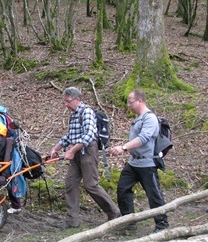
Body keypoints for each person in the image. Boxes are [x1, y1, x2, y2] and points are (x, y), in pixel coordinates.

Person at [49, 87, 120, 229]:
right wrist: (56, 148)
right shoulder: (74, 115)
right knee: (70, 183)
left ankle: (114, 213)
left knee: (91, 185)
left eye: (68, 101)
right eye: (65, 102)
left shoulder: (86, 112)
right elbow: (70, 135)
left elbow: (89, 135)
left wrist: (72, 151)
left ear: (77, 100)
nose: (66, 105)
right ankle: (72, 219)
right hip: (76, 152)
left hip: (87, 151)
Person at [110, 89, 169, 233]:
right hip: (134, 163)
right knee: (123, 189)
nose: (128, 105)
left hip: (147, 163)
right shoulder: (138, 118)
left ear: (140, 101)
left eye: (130, 102)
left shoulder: (149, 118)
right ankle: (129, 223)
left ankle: (162, 225)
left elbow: (143, 138)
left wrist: (123, 147)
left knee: (153, 194)